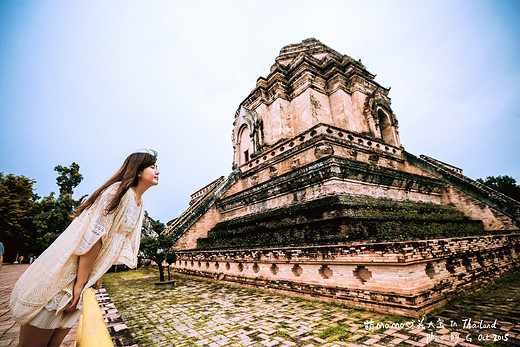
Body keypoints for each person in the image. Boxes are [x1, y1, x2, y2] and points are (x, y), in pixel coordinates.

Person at [10, 149, 159, 347]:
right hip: (63, 274)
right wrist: (80, 283)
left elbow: (112, 243)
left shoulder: (138, 203)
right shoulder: (117, 192)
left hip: (81, 276)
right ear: (138, 170)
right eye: (152, 166)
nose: (157, 171)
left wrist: (95, 275)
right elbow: (94, 238)